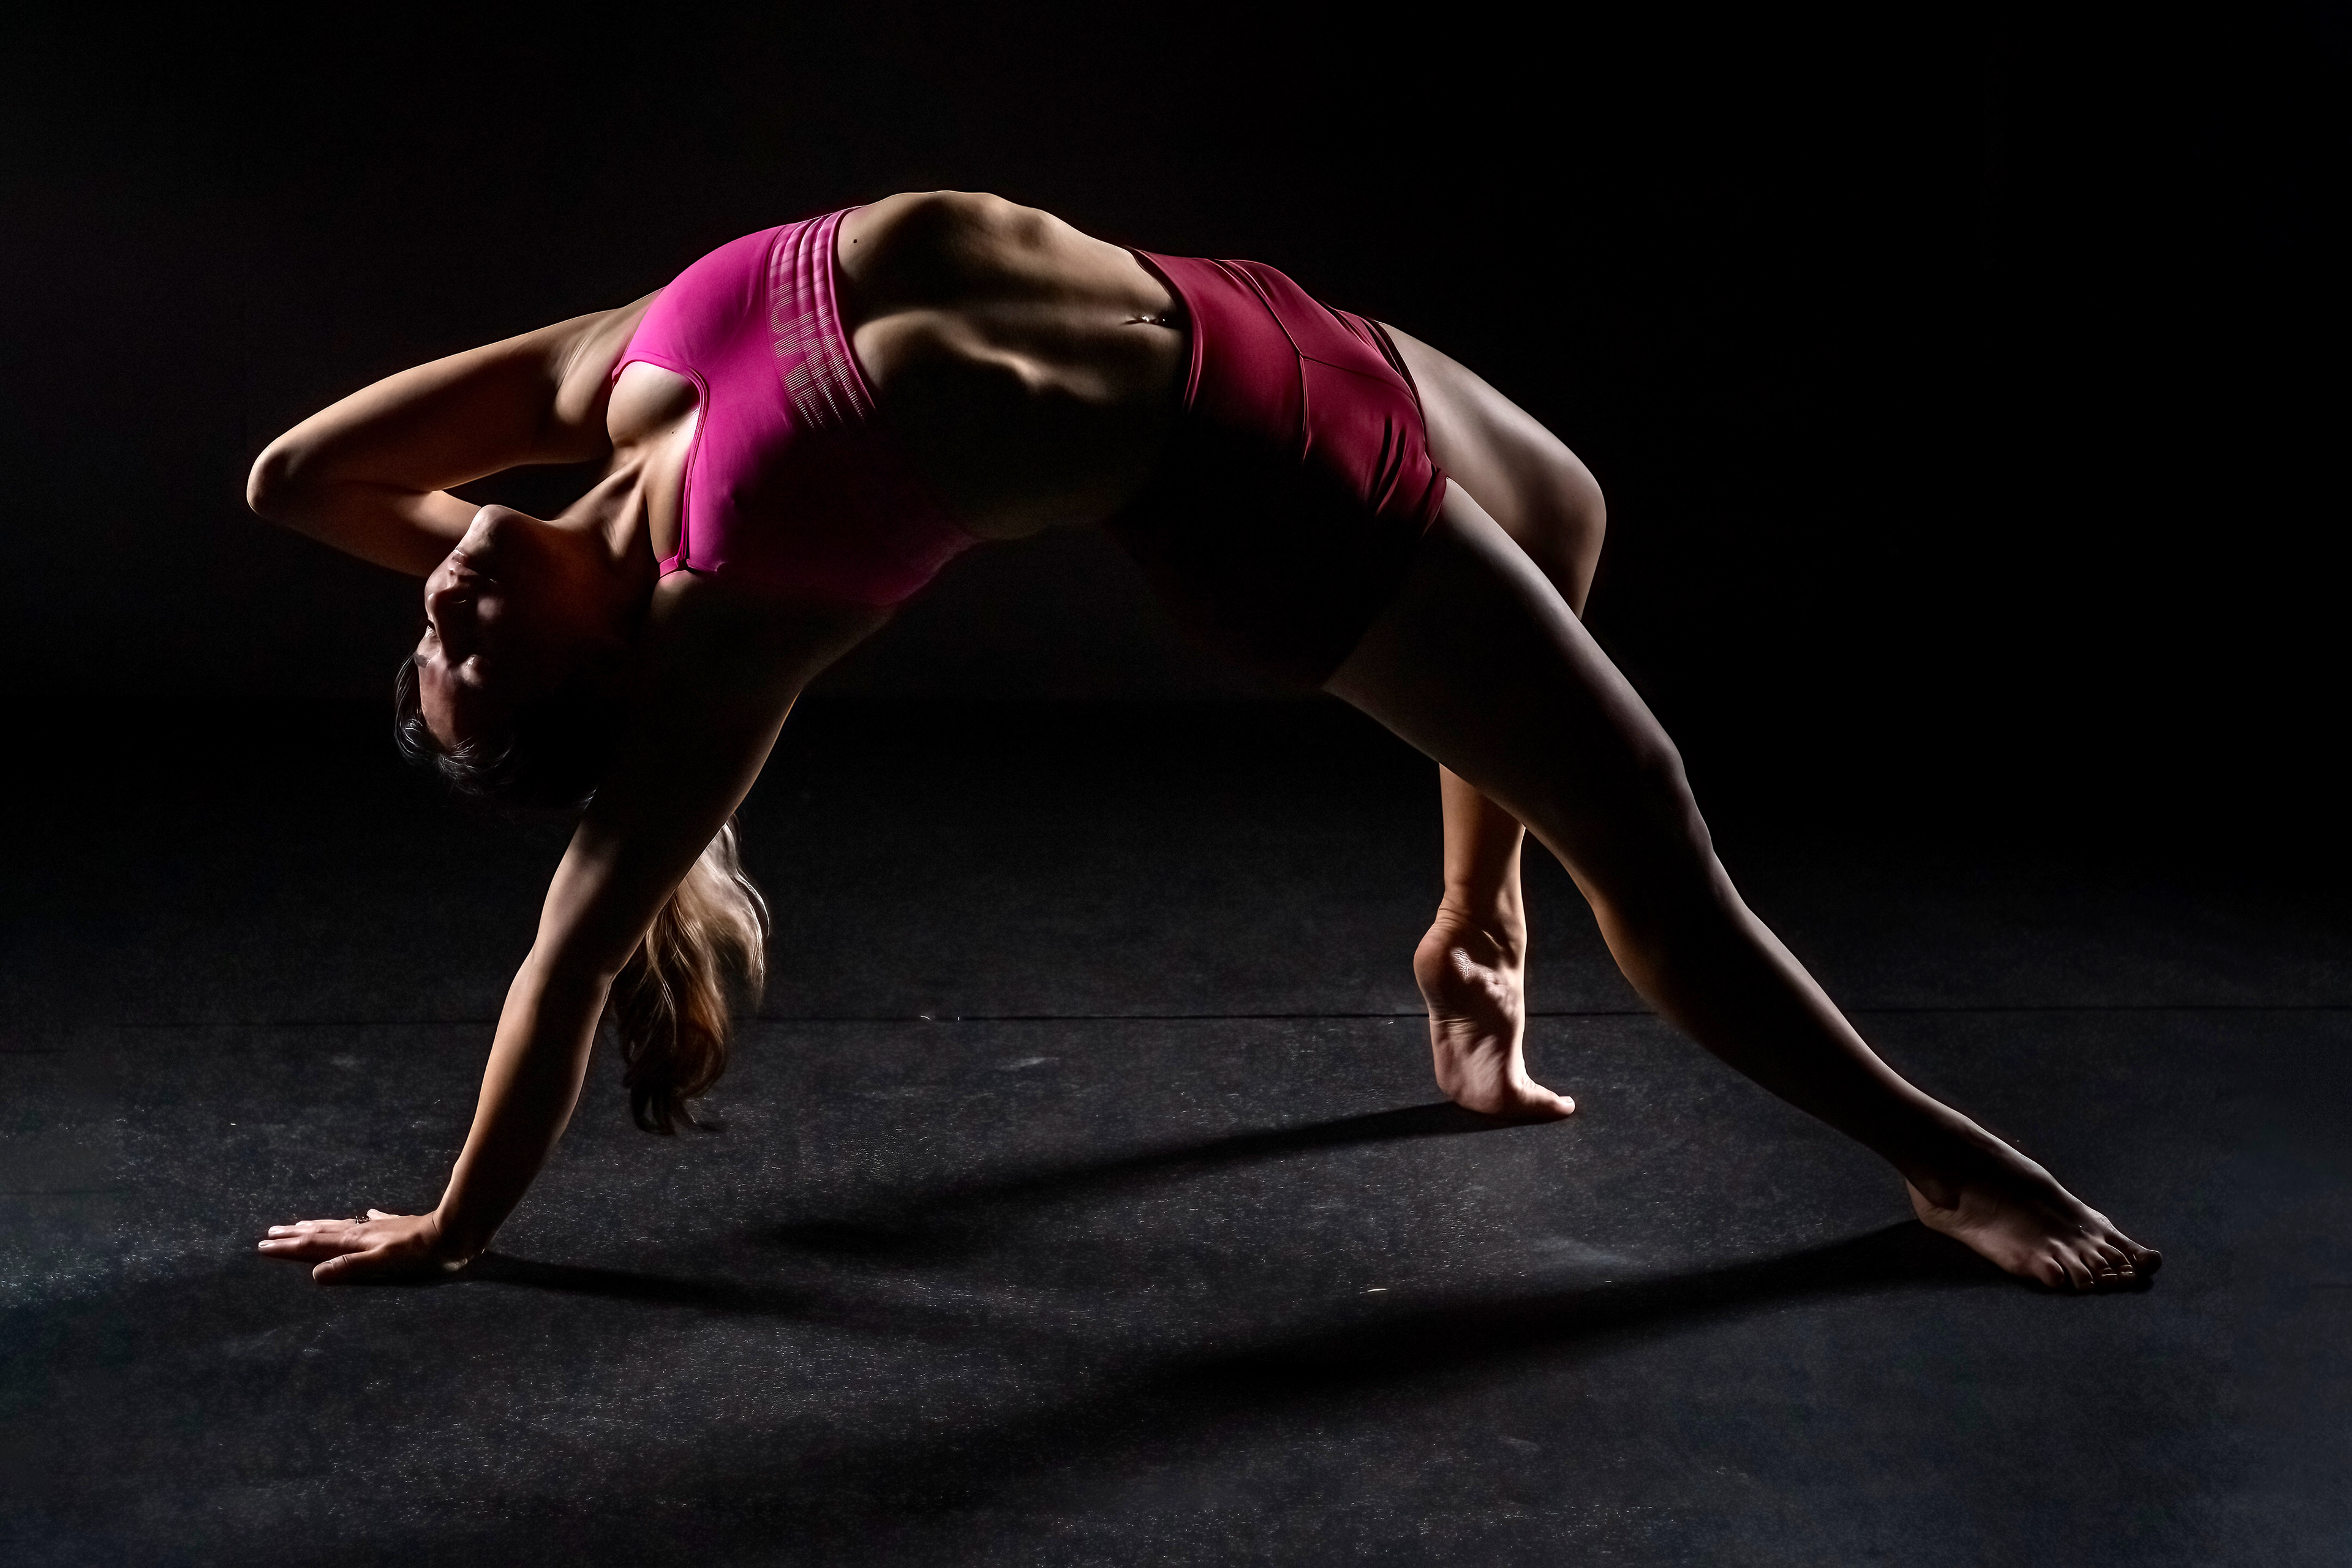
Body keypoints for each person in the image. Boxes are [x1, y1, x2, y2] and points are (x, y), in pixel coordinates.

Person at [247, 191, 2158, 1294]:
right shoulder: (746, 605)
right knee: (1650, 831)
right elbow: (571, 960)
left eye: (426, 628)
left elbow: (295, 481)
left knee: (1570, 517)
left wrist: (494, 602)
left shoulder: (605, 385)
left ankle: (1471, 931)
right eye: (471, 660)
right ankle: (1946, 1167)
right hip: (1269, 494)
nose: (441, 600)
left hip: (1261, 318)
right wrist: (454, 1224)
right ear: (609, 683)